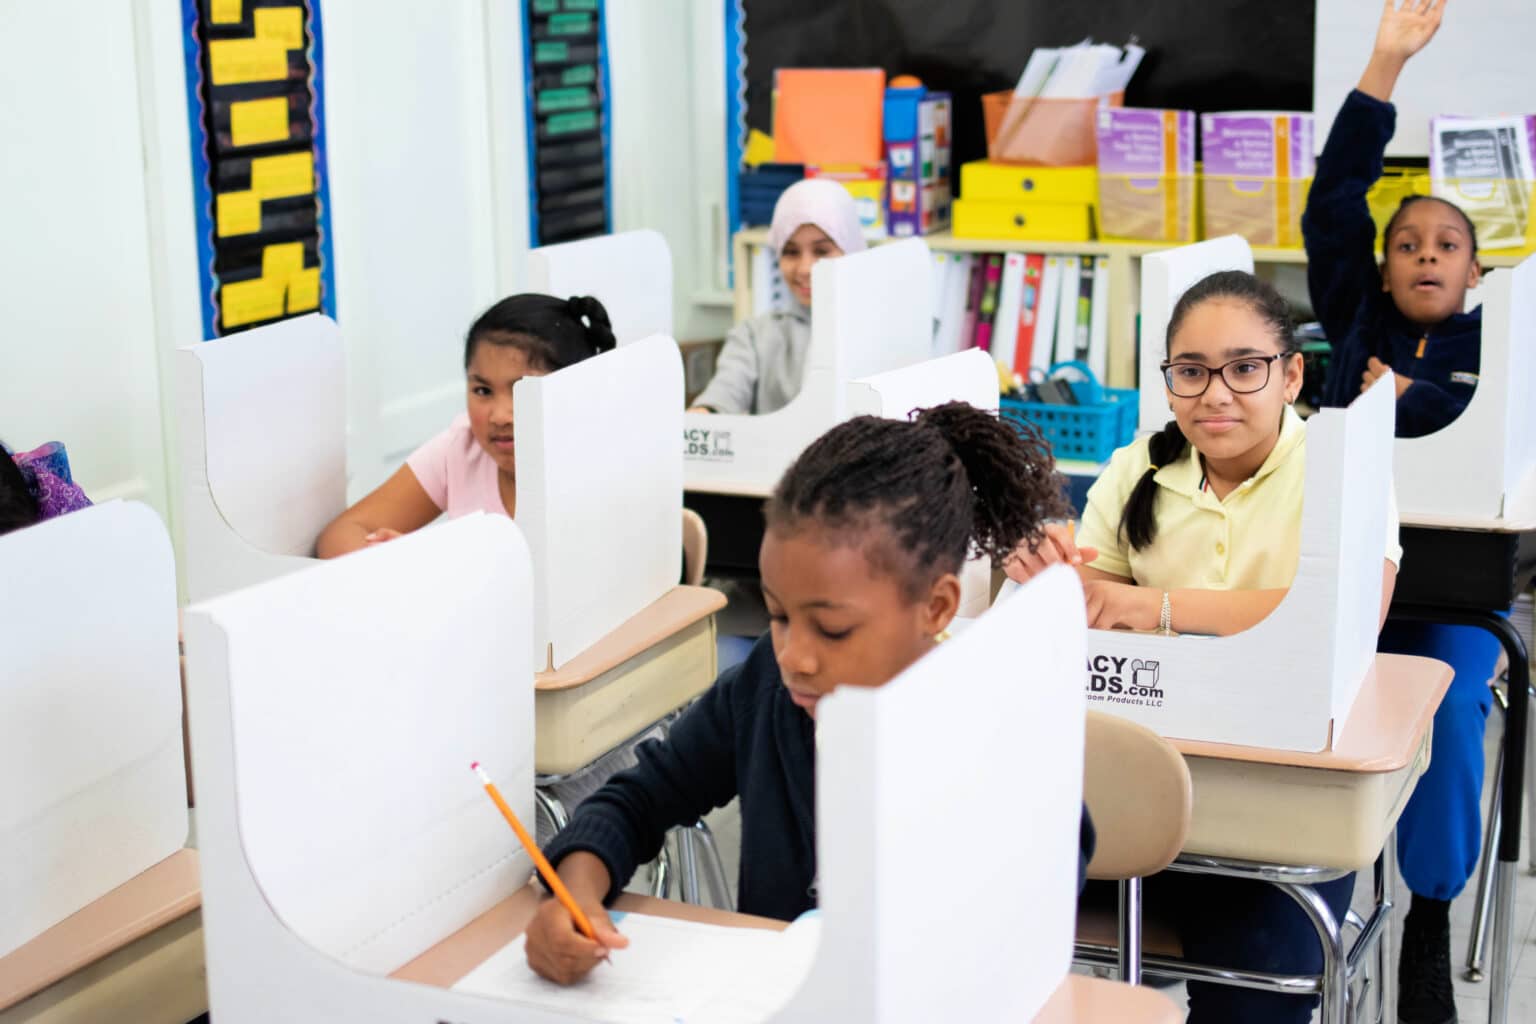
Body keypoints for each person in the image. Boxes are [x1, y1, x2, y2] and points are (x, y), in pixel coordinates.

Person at [524, 402, 1091, 984]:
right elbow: (640, 797)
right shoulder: (767, 687)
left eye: (833, 629)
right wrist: (575, 893)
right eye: (777, 615)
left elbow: (1025, 922)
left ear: (936, 607)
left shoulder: (995, 732)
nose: (795, 655)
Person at [1008, 270, 1402, 1023]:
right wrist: (1046, 579)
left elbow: (1346, 618)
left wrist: (1151, 606)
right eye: (1190, 372)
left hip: (1273, 821)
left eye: (1244, 368)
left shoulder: (1342, 472)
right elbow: (1088, 611)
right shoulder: (1137, 468)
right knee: (985, 919)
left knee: (1258, 982)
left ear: (1291, 375)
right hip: (1127, 802)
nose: (1215, 393)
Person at [1304, 3, 1497, 1017]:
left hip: (1452, 599)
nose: (1426, 254)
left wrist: (1404, 402)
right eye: (1408, 241)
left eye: (1447, 245)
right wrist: (1385, 62)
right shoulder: (1354, 322)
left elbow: (1468, 423)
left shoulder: (1496, 352)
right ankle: (1309, 902)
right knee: (1308, 702)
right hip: (1341, 585)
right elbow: (1335, 198)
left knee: (1454, 709)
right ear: (1381, 267)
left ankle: (1427, 918)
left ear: (1475, 273)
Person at [316, 294, 615, 557]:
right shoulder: (460, 449)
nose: (499, 416)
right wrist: (403, 561)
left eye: (521, 390)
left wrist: (443, 564)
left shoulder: (604, 470)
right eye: (482, 391)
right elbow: (339, 535)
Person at [688, 178, 865, 415]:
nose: (804, 268)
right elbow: (725, 392)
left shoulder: (879, 330)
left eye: (822, 251)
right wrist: (703, 415)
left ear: (851, 249)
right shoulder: (755, 335)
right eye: (791, 252)